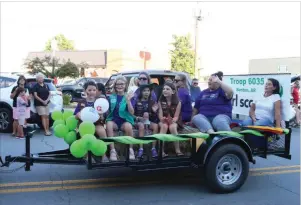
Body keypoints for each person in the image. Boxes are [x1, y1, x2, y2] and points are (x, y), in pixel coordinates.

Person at [74, 81, 109, 162]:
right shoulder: (81, 102)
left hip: (97, 124)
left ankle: (104, 154)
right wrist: (78, 115)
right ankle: (86, 155)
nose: (92, 92)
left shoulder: (99, 102)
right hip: (84, 125)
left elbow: (103, 118)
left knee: (102, 132)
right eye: (89, 90)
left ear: (96, 90)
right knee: (84, 135)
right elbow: (75, 116)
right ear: (85, 90)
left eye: (94, 90)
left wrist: (101, 115)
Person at [106, 76, 136, 161]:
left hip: (125, 121)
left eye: (122, 84)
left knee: (128, 127)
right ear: (115, 86)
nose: (119, 86)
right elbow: (107, 111)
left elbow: (132, 112)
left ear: (125, 85)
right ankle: (112, 151)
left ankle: (130, 150)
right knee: (108, 124)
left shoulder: (129, 96)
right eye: (117, 84)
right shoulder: (111, 97)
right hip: (114, 121)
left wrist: (128, 101)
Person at [131, 84, 159, 158]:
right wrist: (138, 118)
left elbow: (155, 118)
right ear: (140, 92)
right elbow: (131, 114)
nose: (146, 92)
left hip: (148, 121)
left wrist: (153, 111)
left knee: (156, 126)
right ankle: (141, 148)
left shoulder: (152, 102)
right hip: (138, 121)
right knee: (141, 125)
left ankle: (153, 148)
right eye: (144, 91)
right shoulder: (136, 101)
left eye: (148, 91)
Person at [158, 82, 183, 157]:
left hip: (173, 120)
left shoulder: (178, 102)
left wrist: (173, 120)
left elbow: (176, 116)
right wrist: (162, 119)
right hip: (163, 121)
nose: (165, 90)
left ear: (173, 92)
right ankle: (161, 151)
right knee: (164, 126)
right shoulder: (160, 101)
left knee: (172, 127)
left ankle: (177, 150)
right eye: (164, 89)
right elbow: (160, 114)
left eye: (167, 89)